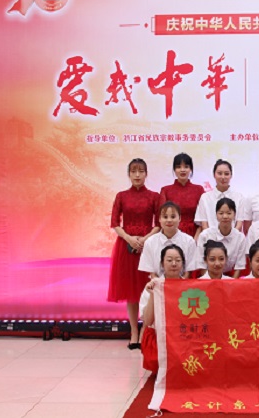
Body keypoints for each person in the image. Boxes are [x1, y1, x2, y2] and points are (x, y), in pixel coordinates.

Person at [106, 158, 160, 350]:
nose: (137, 175)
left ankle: (146, 329)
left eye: (141, 171)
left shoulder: (154, 196)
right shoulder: (121, 196)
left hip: (148, 246)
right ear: (129, 174)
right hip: (126, 248)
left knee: (149, 288)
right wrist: (129, 238)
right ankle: (134, 332)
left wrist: (145, 239)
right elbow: (114, 223)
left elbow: (159, 224)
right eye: (134, 171)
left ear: (146, 174)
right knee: (130, 292)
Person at [140, 244, 186, 375]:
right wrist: (153, 294)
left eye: (178, 260)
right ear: (162, 263)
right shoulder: (153, 286)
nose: (174, 264)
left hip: (182, 336)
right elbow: (148, 321)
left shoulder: (189, 287)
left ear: (183, 264)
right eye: (169, 260)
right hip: (160, 336)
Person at [138, 201, 199, 277]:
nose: (169, 220)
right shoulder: (150, 242)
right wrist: (160, 283)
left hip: (183, 283)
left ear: (180, 218)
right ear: (159, 219)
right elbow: (152, 273)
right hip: (157, 283)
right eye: (165, 217)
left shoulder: (189, 241)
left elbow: (188, 272)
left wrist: (179, 283)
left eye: (173, 217)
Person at [196, 198, 249, 278]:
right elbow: (201, 264)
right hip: (208, 277)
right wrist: (210, 282)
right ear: (216, 215)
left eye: (229, 213)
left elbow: (239, 266)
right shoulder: (205, 235)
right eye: (221, 213)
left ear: (234, 215)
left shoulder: (240, 238)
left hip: (231, 278)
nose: (225, 216)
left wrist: (230, 284)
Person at [159, 153, 205, 239]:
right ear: (174, 169)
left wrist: (196, 238)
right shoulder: (165, 190)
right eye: (178, 167)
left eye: (186, 167)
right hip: (172, 234)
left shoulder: (199, 190)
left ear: (190, 169)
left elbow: (203, 217)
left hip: (195, 235)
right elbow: (162, 218)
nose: (182, 170)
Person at [195, 159, 243, 231]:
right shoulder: (205, 198)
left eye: (226, 174)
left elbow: (239, 224)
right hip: (210, 237)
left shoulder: (239, 197)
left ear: (231, 175)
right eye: (219, 173)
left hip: (233, 237)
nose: (223, 177)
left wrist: (231, 236)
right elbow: (204, 225)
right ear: (214, 175)